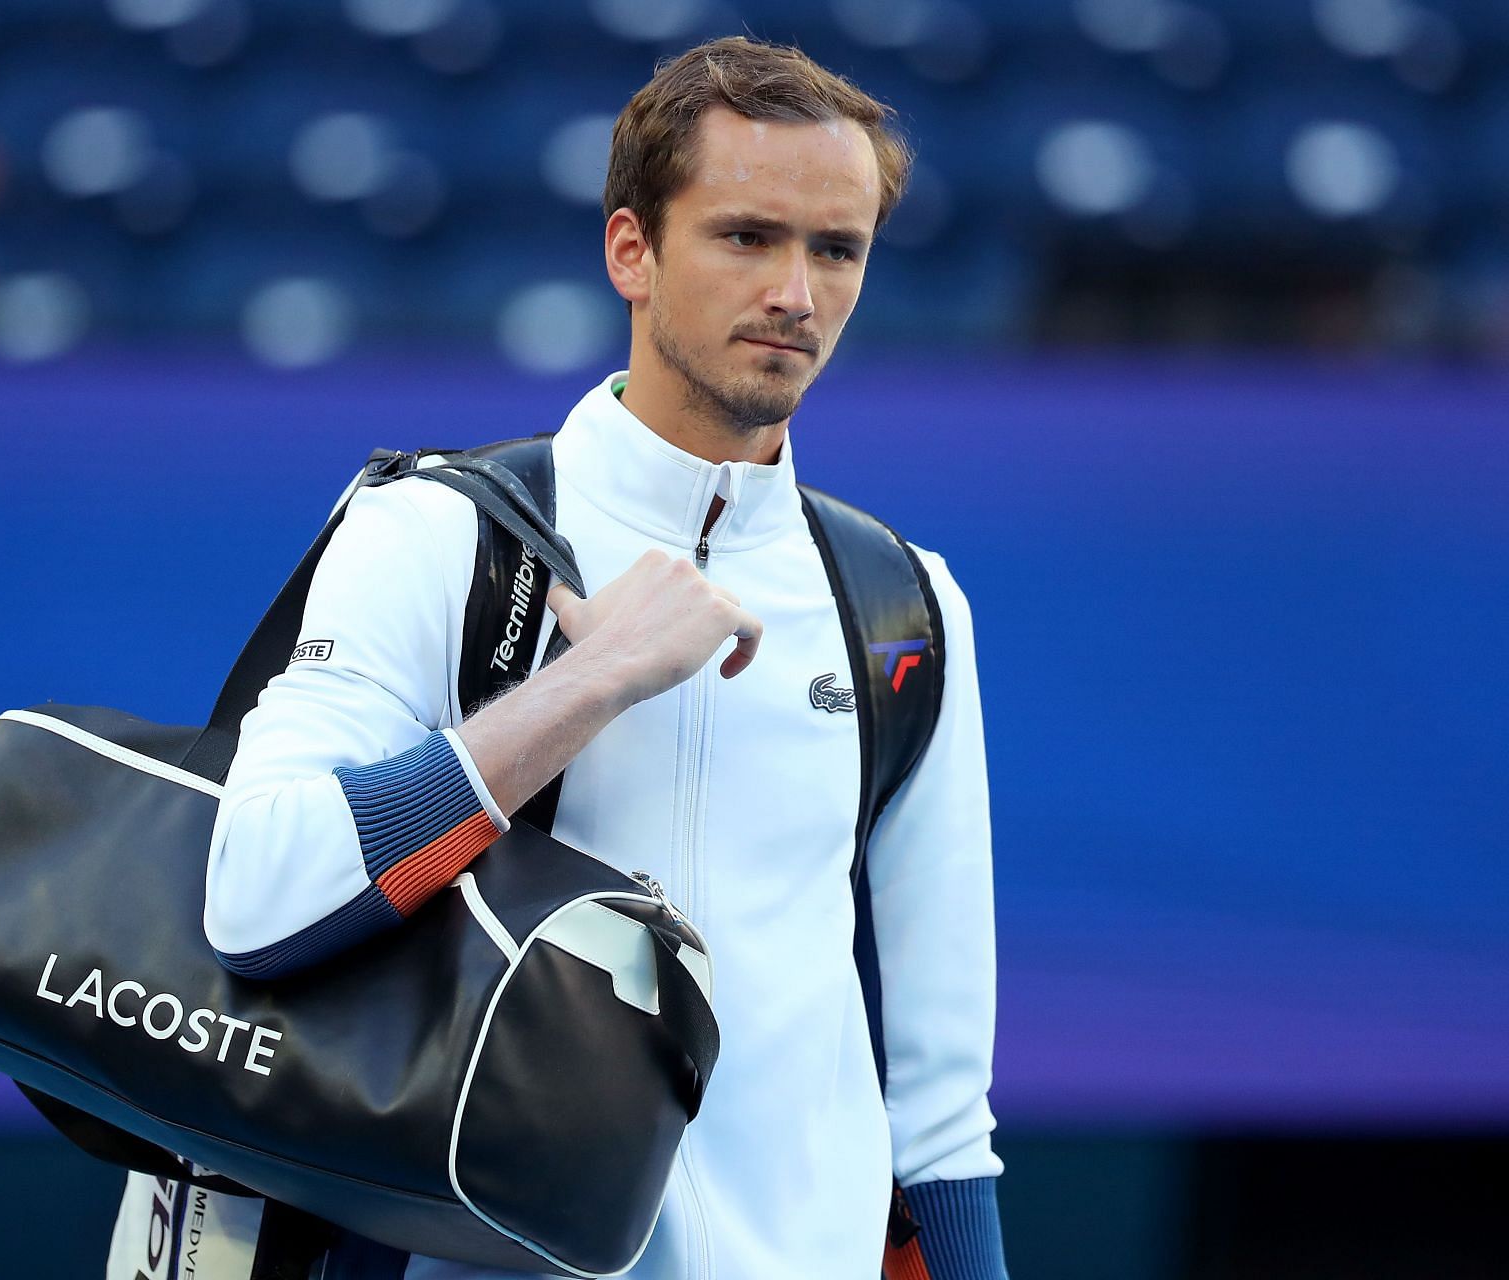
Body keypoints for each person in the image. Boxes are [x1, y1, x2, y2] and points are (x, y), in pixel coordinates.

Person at [110, 35, 1007, 1280]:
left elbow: (943, 1108)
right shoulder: (433, 532)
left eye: (836, 248)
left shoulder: (905, 607)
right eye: (748, 236)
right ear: (629, 250)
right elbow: (259, 896)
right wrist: (589, 683)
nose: (797, 292)